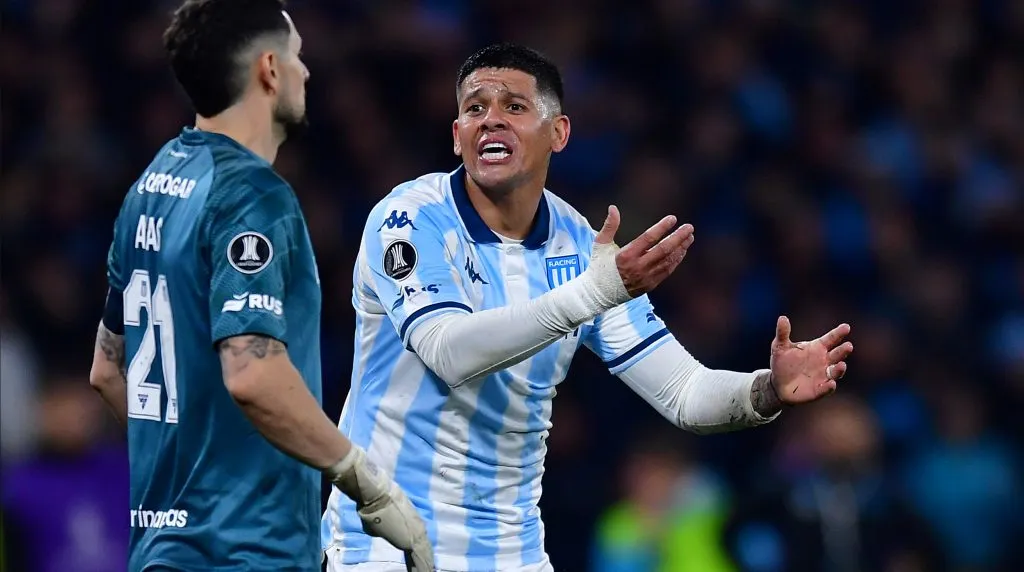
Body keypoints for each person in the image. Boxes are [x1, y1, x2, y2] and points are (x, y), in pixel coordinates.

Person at [321, 43, 853, 572]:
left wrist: (766, 390)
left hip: (512, 553)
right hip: (384, 544)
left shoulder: (582, 249)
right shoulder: (410, 219)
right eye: (475, 109)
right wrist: (593, 294)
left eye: (514, 107)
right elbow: (447, 351)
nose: (491, 121)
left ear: (559, 133)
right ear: (457, 136)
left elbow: (685, 394)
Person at [87, 1, 433, 570]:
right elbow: (253, 374)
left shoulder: (151, 185)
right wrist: (368, 484)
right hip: (246, 552)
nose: (307, 72)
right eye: (298, 56)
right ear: (269, 69)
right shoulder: (252, 197)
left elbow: (107, 371)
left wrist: (194, 482)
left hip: (160, 552)